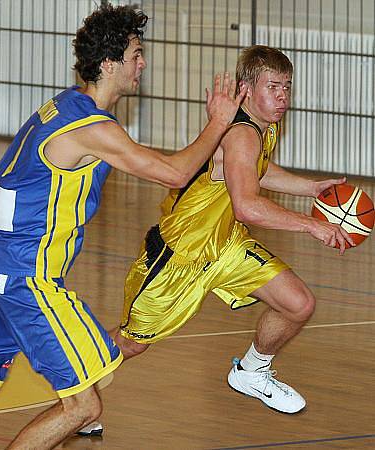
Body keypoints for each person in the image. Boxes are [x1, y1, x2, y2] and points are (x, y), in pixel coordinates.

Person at [0, 4, 246, 448]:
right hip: (25, 278)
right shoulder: (89, 127)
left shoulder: (66, 106)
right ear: (109, 64)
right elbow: (172, 173)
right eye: (136, 54)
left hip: (3, 267)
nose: (142, 63)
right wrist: (219, 122)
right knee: (84, 407)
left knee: (85, 380)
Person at [112, 45, 355, 415]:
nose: (283, 96)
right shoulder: (241, 133)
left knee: (298, 303)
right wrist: (312, 226)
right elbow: (247, 205)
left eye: (287, 86)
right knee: (131, 345)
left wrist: (309, 187)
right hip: (180, 258)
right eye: (273, 86)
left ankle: (253, 372)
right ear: (245, 88)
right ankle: (74, 388)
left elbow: (254, 170)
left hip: (224, 245)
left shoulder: (262, 127)